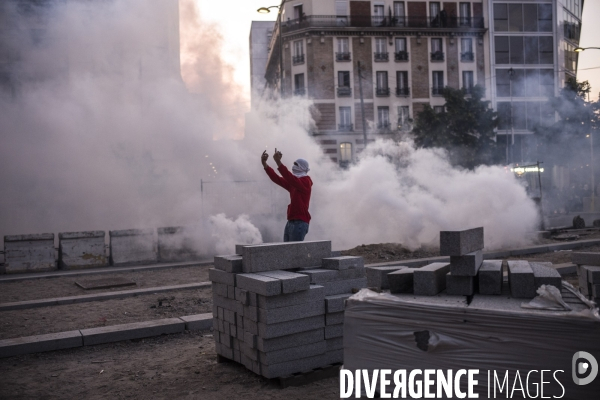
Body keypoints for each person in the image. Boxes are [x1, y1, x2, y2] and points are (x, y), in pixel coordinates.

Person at [261, 149, 312, 242]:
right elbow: (277, 179)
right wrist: (265, 164)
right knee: (287, 252)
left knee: (294, 254)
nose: (293, 166)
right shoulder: (295, 183)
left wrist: (278, 162)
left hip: (300, 222)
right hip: (291, 221)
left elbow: (289, 177)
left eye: (296, 164)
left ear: (302, 167)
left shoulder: (306, 181)